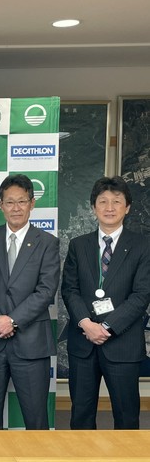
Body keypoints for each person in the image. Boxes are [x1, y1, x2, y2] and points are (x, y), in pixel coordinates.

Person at [62, 176, 150, 429]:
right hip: (83, 343)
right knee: (81, 415)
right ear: (93, 207)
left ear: (127, 207)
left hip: (123, 343)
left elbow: (142, 294)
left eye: (116, 201)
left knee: (126, 417)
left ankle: (126, 459)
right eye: (103, 201)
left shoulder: (143, 245)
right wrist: (86, 324)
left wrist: (107, 327)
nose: (109, 207)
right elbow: (69, 289)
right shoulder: (78, 245)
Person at [0, 174, 60, 430]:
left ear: (32, 203)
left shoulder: (47, 243)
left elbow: (46, 290)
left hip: (32, 344)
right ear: (1, 205)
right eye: (10, 202)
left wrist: (12, 320)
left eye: (22, 201)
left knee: (36, 419)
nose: (16, 208)